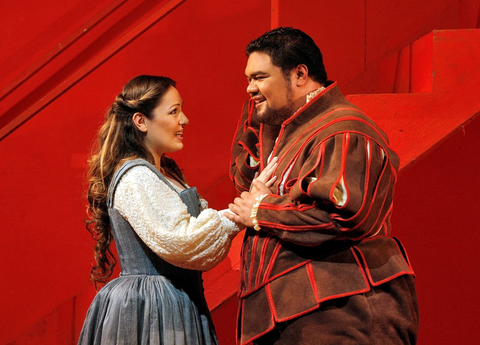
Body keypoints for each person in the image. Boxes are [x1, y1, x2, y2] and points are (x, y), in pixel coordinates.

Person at [226, 27, 419, 345]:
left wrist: (262, 210)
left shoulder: (341, 128)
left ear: (300, 74)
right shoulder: (292, 131)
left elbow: (342, 215)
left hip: (342, 312)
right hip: (301, 315)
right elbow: (243, 180)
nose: (250, 88)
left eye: (259, 77)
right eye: (248, 79)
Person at [78, 75, 275, 345]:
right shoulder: (136, 176)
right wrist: (239, 214)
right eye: (174, 112)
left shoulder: (165, 174)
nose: (184, 120)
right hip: (151, 310)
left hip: (175, 299)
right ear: (140, 121)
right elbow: (181, 239)